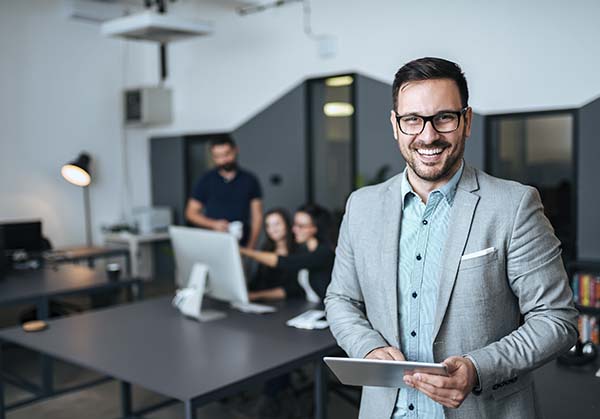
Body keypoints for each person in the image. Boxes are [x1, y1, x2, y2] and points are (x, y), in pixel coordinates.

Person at [324, 57, 578, 419]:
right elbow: (340, 299)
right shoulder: (362, 206)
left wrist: (478, 368)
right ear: (395, 125)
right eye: (413, 119)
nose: (428, 136)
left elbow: (556, 319)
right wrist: (367, 348)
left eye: (444, 117)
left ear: (467, 121)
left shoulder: (514, 205)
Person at [241, 203, 335, 302]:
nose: (294, 229)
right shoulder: (306, 250)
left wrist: (243, 251)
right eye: (295, 224)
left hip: (329, 311)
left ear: (314, 229)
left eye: (301, 226)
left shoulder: (323, 253)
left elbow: (285, 262)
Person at [185, 136, 263, 248]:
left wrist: (251, 248)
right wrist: (214, 224)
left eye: (227, 154)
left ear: (235, 150)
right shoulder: (205, 180)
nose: (223, 160)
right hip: (213, 243)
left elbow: (257, 216)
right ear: (213, 157)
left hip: (242, 244)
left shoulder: (250, 180)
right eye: (218, 156)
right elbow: (190, 213)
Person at [248, 208, 298, 292]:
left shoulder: (298, 249)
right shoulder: (266, 248)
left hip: (293, 302)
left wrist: (256, 296)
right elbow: (258, 280)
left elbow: (294, 288)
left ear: (287, 224)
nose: (272, 229)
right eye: (268, 225)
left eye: (277, 224)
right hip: (265, 302)